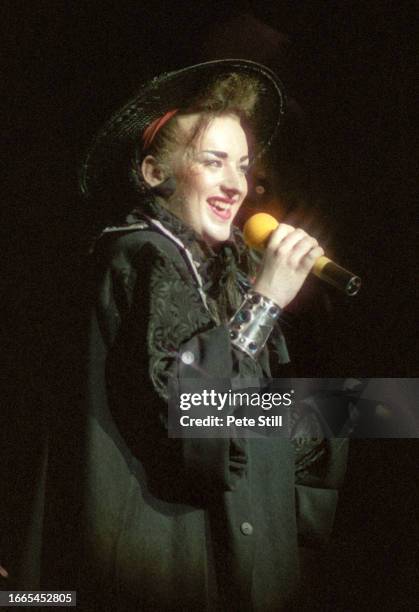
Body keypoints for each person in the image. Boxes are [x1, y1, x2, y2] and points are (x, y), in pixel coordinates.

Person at [73, 59, 347, 611]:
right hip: (153, 570)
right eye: (213, 161)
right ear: (155, 173)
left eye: (243, 165)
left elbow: (256, 415)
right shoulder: (139, 255)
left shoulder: (217, 272)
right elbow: (198, 415)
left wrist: (388, 410)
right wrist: (265, 302)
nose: (236, 185)